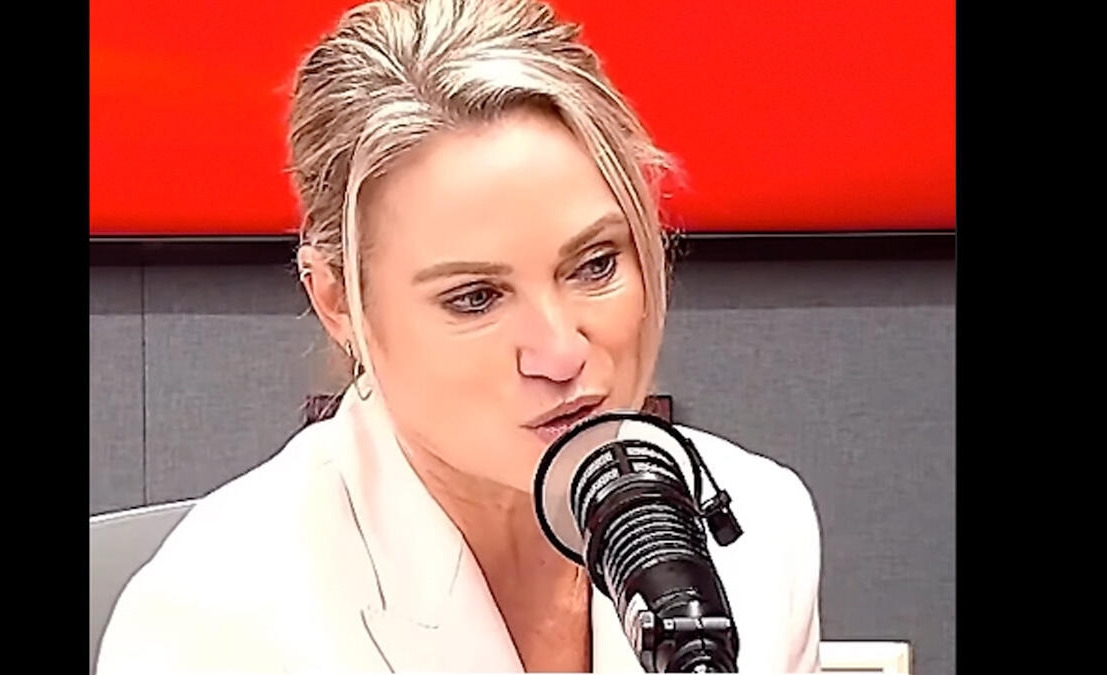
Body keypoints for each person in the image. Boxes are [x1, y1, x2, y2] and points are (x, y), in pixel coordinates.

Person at [96, 0, 822, 672]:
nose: (561, 351)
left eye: (595, 264)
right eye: (476, 298)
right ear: (338, 301)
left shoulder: (761, 529)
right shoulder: (214, 621)